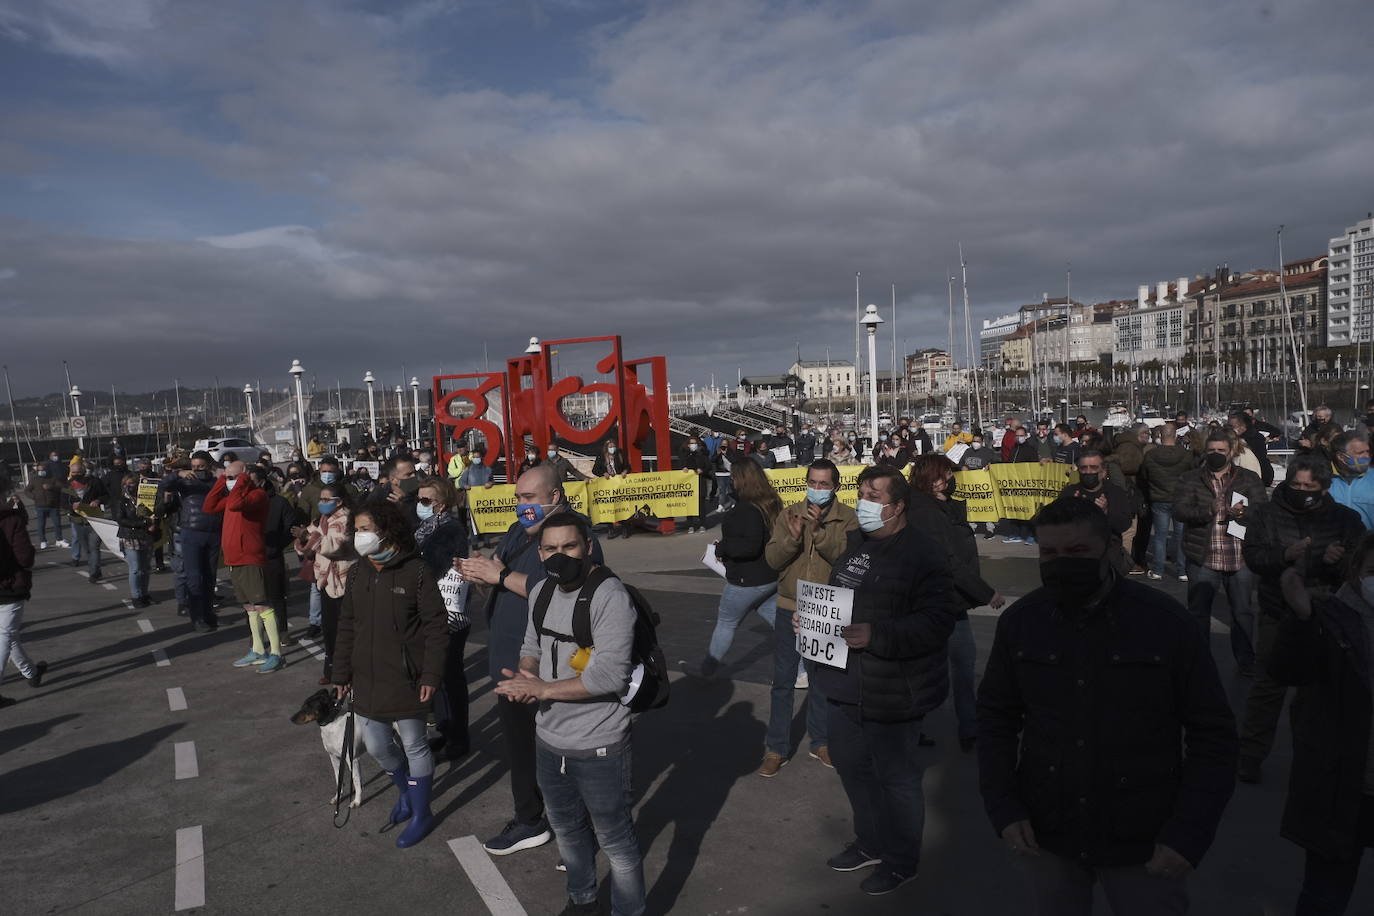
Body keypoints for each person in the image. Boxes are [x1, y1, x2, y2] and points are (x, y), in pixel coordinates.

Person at [977, 496, 1238, 916]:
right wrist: (1003, 808)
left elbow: (1214, 736)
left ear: (1110, 549)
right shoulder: (1022, 623)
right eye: (1049, 553)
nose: (1062, 563)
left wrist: (1189, 833)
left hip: (1144, 839)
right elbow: (995, 720)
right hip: (1049, 831)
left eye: (1077, 552)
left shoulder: (1166, 623)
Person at [803, 465, 955, 896]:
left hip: (894, 689)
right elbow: (838, 602)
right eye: (862, 493)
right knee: (852, 768)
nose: (865, 503)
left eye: (875, 496)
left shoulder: (923, 553)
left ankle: (902, 860)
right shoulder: (855, 544)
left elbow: (938, 620)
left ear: (898, 506)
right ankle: (870, 842)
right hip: (844, 683)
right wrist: (810, 621)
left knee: (898, 781)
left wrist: (880, 635)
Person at [496, 513, 646, 916]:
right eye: (550, 549)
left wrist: (542, 689)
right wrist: (526, 673)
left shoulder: (609, 595)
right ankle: (582, 901)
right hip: (549, 740)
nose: (559, 555)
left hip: (600, 746)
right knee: (567, 832)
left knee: (614, 839)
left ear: (588, 546)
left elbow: (611, 675)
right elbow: (532, 643)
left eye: (569, 546)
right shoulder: (543, 590)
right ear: (539, 552)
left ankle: (628, 910)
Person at [458, 465, 602, 856]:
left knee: (563, 754)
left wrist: (500, 576)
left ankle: (579, 832)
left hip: (550, 668)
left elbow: (568, 592)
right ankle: (529, 820)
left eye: (529, 498)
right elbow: (502, 578)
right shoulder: (516, 533)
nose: (521, 506)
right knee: (521, 751)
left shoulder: (573, 537)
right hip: (510, 663)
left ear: (555, 497)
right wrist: (480, 576)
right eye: (518, 498)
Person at [1235, 454, 1363, 785]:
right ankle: (1250, 754)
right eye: (1296, 485)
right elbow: (1254, 556)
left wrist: (1340, 559)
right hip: (1278, 611)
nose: (1302, 490)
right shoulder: (1265, 514)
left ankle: (1312, 758)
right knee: (1268, 687)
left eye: (1310, 486)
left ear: (1323, 487)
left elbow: (1362, 566)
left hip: (1326, 615)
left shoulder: (1344, 519)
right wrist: (1284, 556)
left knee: (1316, 693)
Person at [332, 500, 448, 849]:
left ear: (388, 531)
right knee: (378, 745)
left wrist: (430, 674)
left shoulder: (416, 571)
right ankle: (406, 794)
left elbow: (436, 627)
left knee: (413, 744)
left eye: (366, 529)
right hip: (367, 677)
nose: (360, 536)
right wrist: (340, 671)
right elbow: (347, 624)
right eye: (358, 529)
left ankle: (421, 811)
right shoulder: (357, 572)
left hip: (407, 677)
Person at [1269, 534, 1374, 914]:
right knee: (1325, 894)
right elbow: (1286, 669)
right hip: (1343, 786)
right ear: (1356, 572)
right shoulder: (1329, 617)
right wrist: (1299, 617)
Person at [761, 458, 856, 775]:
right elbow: (773, 560)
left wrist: (819, 534)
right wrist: (791, 537)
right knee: (783, 681)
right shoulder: (789, 514)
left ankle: (821, 742)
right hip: (789, 605)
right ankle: (776, 748)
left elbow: (848, 561)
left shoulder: (848, 518)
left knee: (823, 681)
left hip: (828, 608)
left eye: (823, 484)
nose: (816, 489)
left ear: (835, 487)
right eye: (812, 483)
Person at [907, 454, 1004, 751]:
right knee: (947, 665)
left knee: (956, 664)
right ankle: (946, 727)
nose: (949, 479)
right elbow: (948, 560)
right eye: (943, 474)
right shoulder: (927, 512)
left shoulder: (937, 506)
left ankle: (964, 726)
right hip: (939, 601)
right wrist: (985, 592)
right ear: (929, 478)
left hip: (946, 600)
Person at [1172, 429, 1267, 670]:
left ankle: (1246, 660)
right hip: (1203, 557)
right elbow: (1180, 511)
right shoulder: (1190, 478)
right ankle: (1199, 662)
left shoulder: (1248, 479)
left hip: (1240, 555)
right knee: (1198, 613)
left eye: (1221, 450)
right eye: (1212, 450)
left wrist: (1244, 513)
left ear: (1231, 452)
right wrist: (1208, 510)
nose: (1216, 454)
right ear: (1205, 451)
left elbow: (1263, 511)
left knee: (1243, 613)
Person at [701, 460, 783, 678]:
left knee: (726, 623)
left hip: (747, 579)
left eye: (734, 477)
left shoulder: (746, 509)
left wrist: (722, 548)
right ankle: (803, 669)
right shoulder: (769, 502)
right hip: (769, 575)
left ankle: (707, 670)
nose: (731, 481)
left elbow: (749, 545)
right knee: (781, 625)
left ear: (742, 481)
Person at [203, 460, 281, 673]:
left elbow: (237, 503)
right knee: (249, 607)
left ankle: (275, 652)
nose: (232, 482)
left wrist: (242, 478)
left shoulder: (257, 496)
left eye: (234, 478)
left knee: (262, 605)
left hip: (250, 557)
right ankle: (257, 650)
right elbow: (209, 506)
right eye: (230, 479)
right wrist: (221, 480)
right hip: (234, 558)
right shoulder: (233, 495)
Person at [415, 477, 471, 761]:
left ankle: (459, 738)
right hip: (432, 612)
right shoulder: (429, 525)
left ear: (442, 503)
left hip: (449, 615)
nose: (420, 504)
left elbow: (431, 565)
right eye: (419, 499)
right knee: (439, 678)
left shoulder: (450, 528)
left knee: (450, 678)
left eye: (426, 501)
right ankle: (448, 730)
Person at [297, 484, 356, 685]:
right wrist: (304, 538)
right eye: (320, 500)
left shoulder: (346, 519)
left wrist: (308, 538)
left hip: (343, 580)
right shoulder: (322, 519)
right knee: (329, 629)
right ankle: (332, 670)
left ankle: (348, 672)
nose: (322, 503)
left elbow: (334, 546)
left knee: (345, 630)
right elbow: (306, 542)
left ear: (338, 501)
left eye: (326, 500)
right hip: (324, 579)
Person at [1, 473, 46, 707]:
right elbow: (25, 557)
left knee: (9, 635)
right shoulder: (12, 519)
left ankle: (31, 672)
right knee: (5, 635)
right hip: (10, 586)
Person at [253, 465, 302, 646]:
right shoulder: (242, 502)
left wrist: (276, 546)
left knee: (277, 597)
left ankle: (282, 632)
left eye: (252, 482)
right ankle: (256, 637)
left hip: (272, 558)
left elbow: (291, 527)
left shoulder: (278, 502)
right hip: (250, 558)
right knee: (253, 600)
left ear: (262, 482)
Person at [1141, 423, 1195, 581]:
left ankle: (1158, 570)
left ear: (1160, 436)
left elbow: (1145, 475)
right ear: (1176, 436)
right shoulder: (1186, 455)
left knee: (1160, 536)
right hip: (1180, 498)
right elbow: (1192, 474)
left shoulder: (1150, 455)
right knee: (1180, 536)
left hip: (1159, 498)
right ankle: (1182, 570)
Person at [110, 473, 157, 608]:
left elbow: (151, 514)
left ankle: (144, 593)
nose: (129, 486)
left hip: (145, 536)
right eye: (126, 484)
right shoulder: (121, 501)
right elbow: (120, 519)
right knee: (135, 568)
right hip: (129, 537)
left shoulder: (144, 499)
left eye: (131, 483)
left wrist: (152, 522)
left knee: (145, 568)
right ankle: (136, 596)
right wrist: (142, 523)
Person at [63, 459, 107, 584]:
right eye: (73, 472)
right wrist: (71, 506)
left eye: (78, 472)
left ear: (83, 471)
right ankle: (95, 569)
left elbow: (106, 496)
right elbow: (62, 502)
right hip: (77, 521)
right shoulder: (67, 485)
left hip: (94, 519)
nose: (76, 475)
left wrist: (98, 501)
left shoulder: (94, 482)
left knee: (94, 547)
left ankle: (93, 573)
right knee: (87, 548)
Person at [1000, 425, 1041, 545]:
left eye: (1021, 435)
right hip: (1013, 485)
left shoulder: (1031, 449)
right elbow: (1009, 464)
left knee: (1028, 511)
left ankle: (1031, 535)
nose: (1018, 438)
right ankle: (1015, 533)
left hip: (1026, 485)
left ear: (1026, 436)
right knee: (1014, 509)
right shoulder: (1014, 448)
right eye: (1017, 436)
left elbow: (1035, 467)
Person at [1330, 431, 1374, 530]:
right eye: (1360, 453)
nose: (1366, 456)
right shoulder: (1323, 479)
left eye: (1368, 451)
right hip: (1331, 543)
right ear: (1341, 457)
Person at [24, 463, 64, 549]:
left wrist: (51, 486)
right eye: (40, 470)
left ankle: (59, 539)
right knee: (41, 525)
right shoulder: (34, 480)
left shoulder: (52, 478)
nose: (41, 472)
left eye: (43, 470)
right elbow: (27, 491)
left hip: (53, 505)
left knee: (57, 523)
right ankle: (43, 541)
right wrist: (34, 497)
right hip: (40, 506)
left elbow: (60, 486)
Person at [1230, 412, 1274, 487]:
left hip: (1257, 477)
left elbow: (1260, 459)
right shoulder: (1255, 437)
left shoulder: (1254, 440)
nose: (1229, 429)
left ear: (1242, 426)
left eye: (1231, 426)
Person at [679, 436, 712, 533]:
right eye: (691, 443)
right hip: (689, 484)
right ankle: (690, 525)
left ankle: (702, 524)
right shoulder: (685, 455)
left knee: (701, 504)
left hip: (700, 482)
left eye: (695, 443)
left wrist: (702, 470)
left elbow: (708, 466)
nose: (693, 445)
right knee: (689, 505)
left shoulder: (702, 455)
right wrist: (683, 468)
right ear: (688, 445)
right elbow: (680, 465)